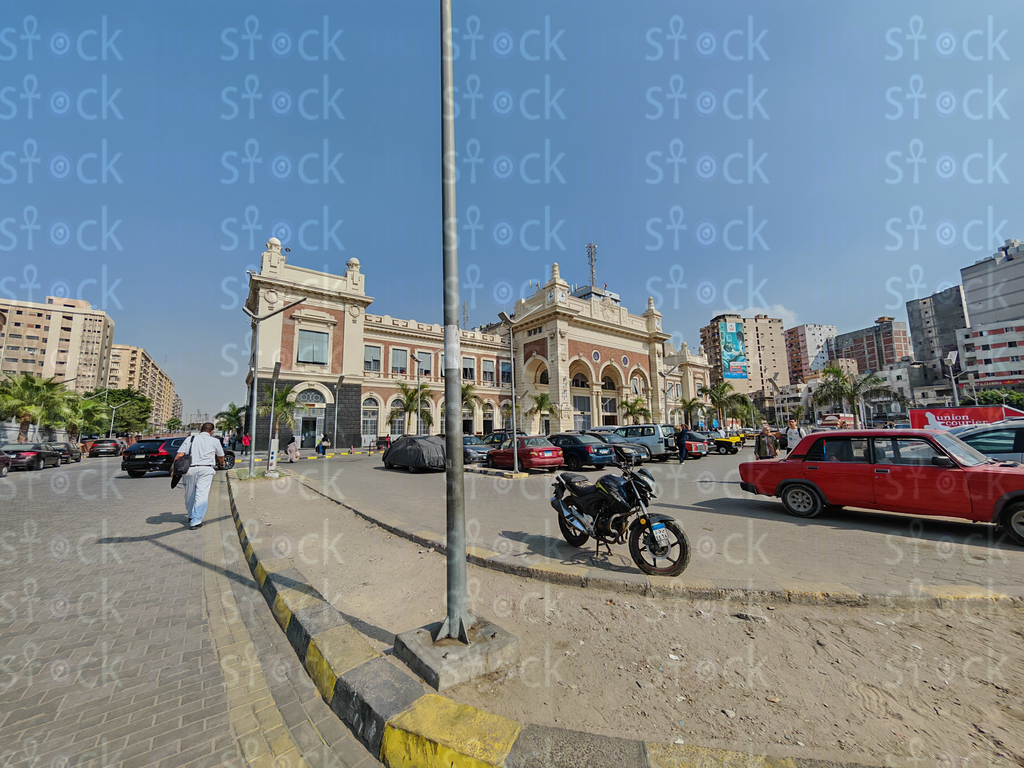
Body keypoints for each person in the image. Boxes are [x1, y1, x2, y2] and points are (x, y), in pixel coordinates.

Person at [174, 423, 225, 530]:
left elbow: (179, 455)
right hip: (206, 469)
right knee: (202, 494)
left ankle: (191, 515)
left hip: (190, 469)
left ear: (200, 430)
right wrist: (222, 463)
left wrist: (174, 470)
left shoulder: (190, 439)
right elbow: (221, 456)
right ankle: (196, 521)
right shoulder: (214, 441)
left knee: (190, 493)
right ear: (211, 432)